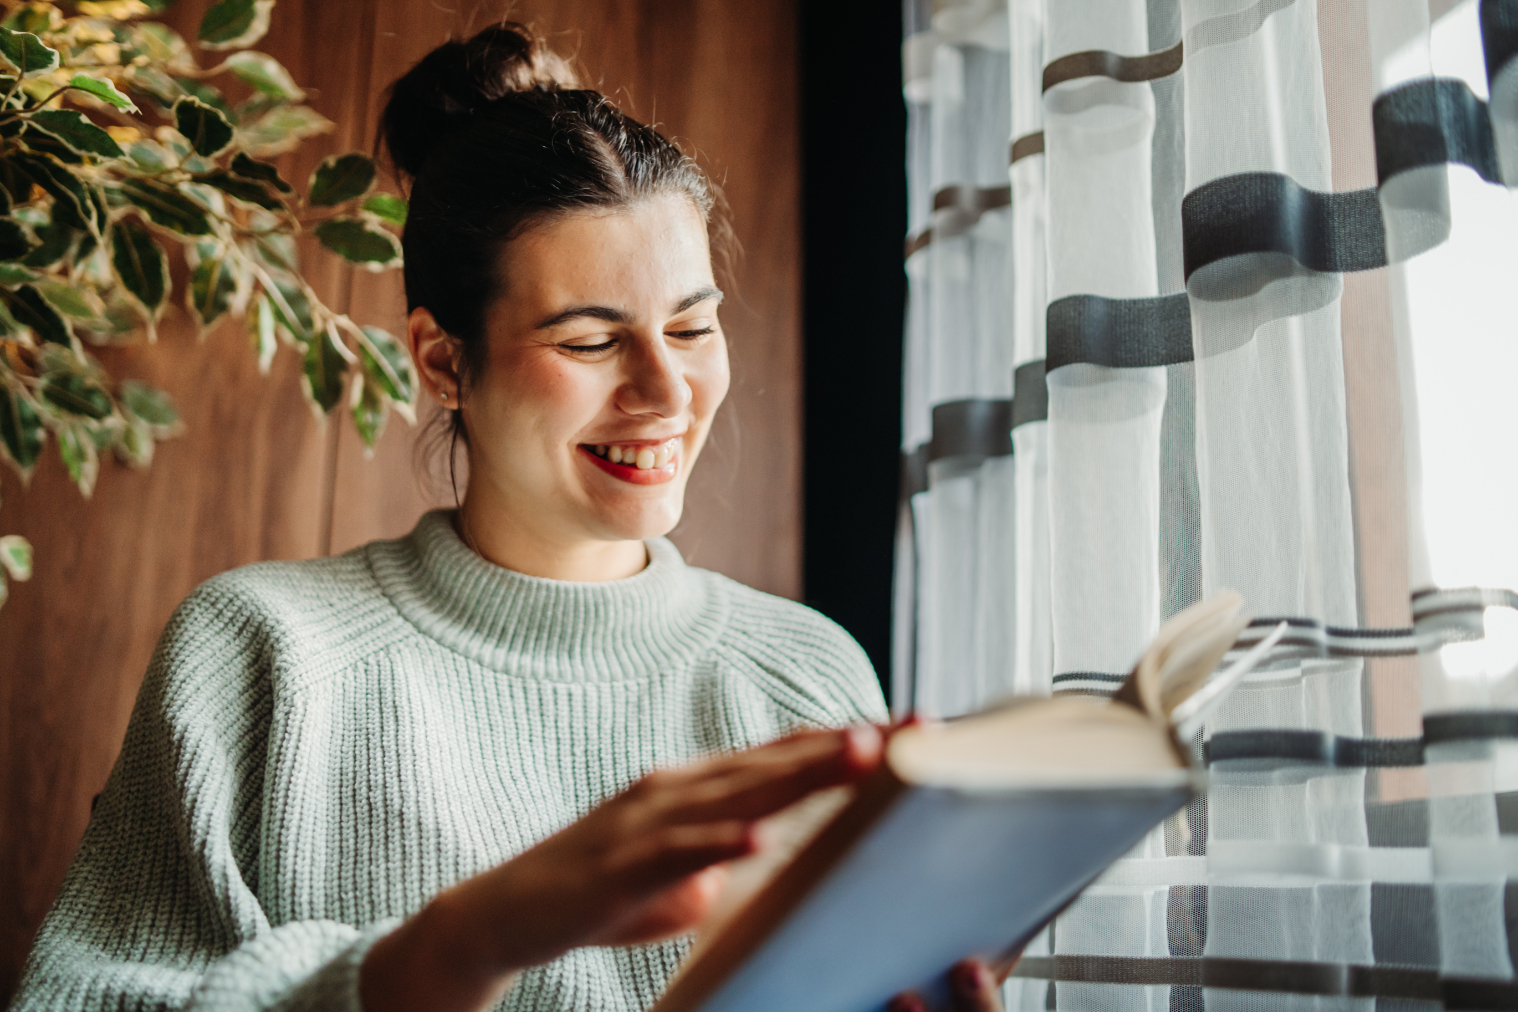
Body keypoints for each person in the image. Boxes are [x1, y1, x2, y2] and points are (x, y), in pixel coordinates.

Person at [10, 24, 1007, 1012]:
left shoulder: (808, 675)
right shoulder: (264, 651)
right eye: (589, 342)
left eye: (692, 328)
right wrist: (457, 945)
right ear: (444, 360)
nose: (666, 391)